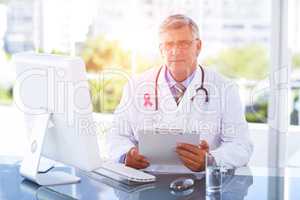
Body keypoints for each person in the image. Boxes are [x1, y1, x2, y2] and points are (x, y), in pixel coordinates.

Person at [106, 14, 253, 172]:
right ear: (161, 50)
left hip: (201, 185)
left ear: (198, 47)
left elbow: (241, 145)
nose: (175, 51)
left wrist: (210, 160)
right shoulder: (136, 86)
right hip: (147, 183)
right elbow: (116, 136)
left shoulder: (225, 88)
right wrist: (126, 155)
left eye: (183, 44)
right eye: (169, 44)